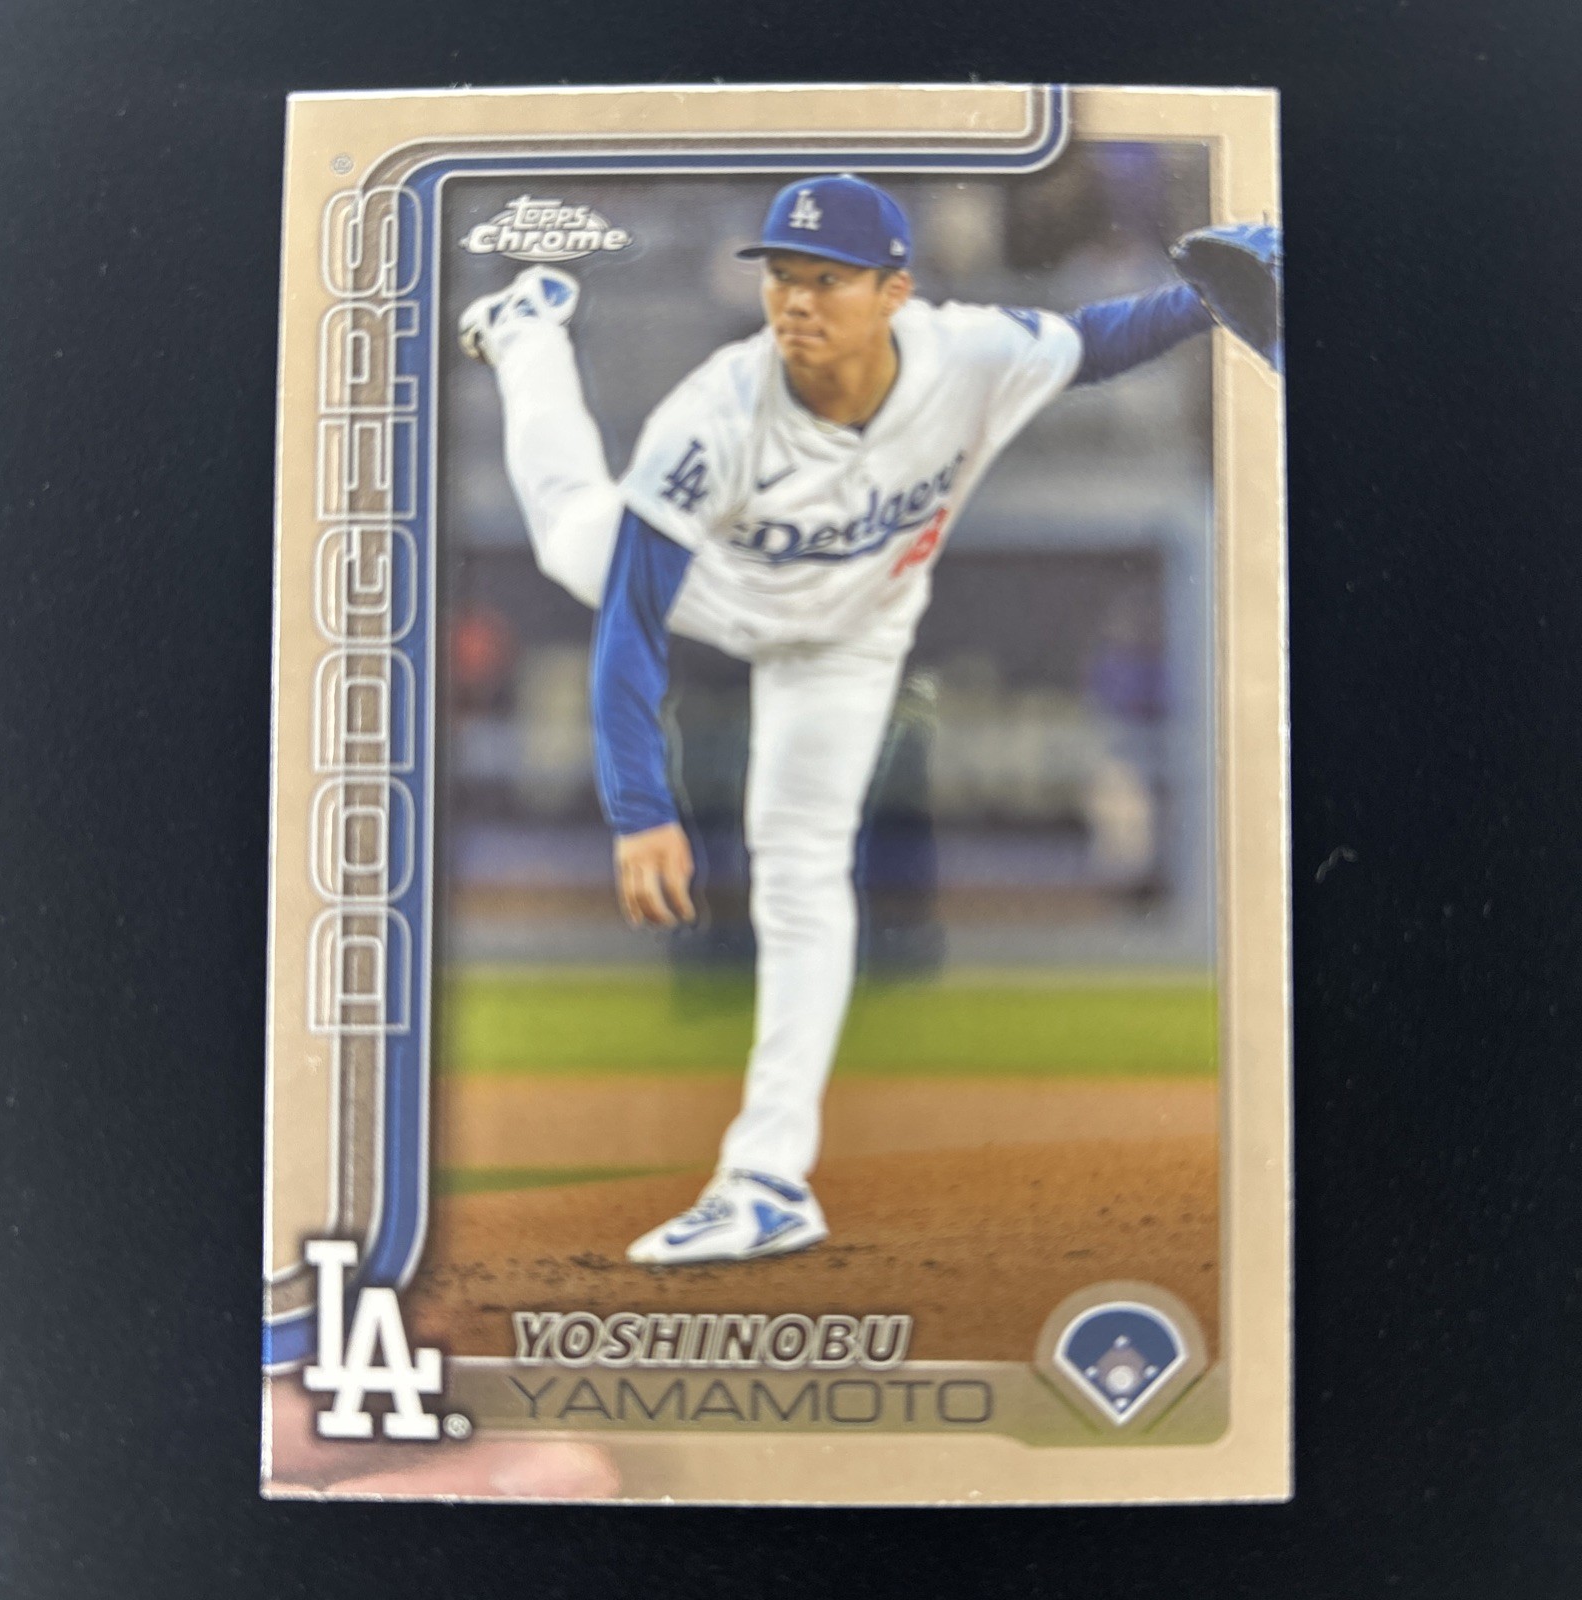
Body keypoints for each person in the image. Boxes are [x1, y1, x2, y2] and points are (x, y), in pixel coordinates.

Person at [460, 174, 1230, 1265]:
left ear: (894, 292)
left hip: (851, 632)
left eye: (827, 278)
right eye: (782, 275)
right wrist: (640, 811)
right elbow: (630, 628)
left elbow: (1099, 339)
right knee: (567, 535)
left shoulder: (968, 352)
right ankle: (528, 329)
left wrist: (1212, 293)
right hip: (709, 590)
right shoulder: (713, 416)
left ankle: (767, 1181)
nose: (796, 300)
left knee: (803, 873)